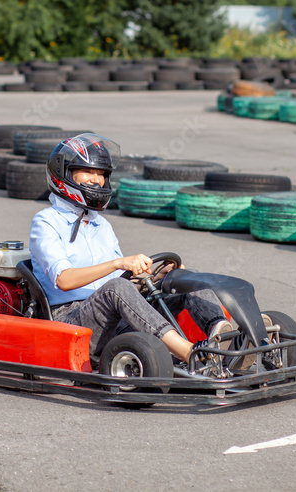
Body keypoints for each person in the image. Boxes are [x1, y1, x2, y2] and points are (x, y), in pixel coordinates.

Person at [28, 133, 236, 376]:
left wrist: (157, 275)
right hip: (71, 322)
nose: (96, 181)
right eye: (88, 172)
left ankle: (224, 337)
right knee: (116, 287)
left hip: (113, 316)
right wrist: (117, 263)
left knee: (185, 277)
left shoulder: (100, 225)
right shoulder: (46, 222)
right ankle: (191, 354)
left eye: (101, 174)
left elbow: (126, 285)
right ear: (64, 173)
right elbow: (64, 280)